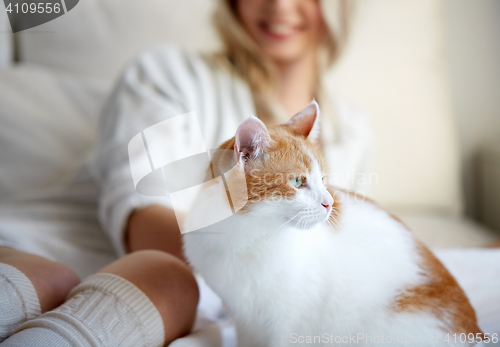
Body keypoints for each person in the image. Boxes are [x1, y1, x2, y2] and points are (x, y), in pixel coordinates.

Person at [0, 0, 372, 346]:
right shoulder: (164, 73)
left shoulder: (351, 129)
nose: (280, 6)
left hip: (161, 305)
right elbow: (144, 220)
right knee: (169, 278)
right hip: (41, 255)